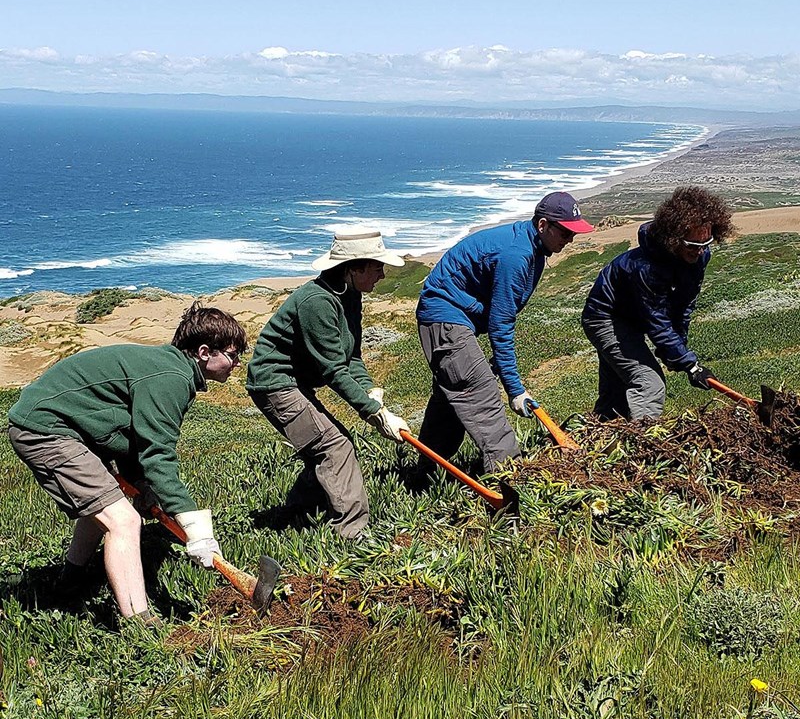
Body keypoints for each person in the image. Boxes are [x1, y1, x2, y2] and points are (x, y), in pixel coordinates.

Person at [7, 303, 247, 625]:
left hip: (67, 428)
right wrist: (196, 527)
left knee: (104, 505)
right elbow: (157, 454)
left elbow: (132, 435)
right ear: (204, 352)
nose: (237, 362)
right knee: (124, 521)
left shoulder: (170, 369)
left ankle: (69, 582)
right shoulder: (170, 377)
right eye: (233, 354)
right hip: (45, 430)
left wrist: (143, 485)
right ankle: (141, 624)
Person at [414, 191, 595, 479]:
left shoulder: (532, 248)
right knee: (482, 398)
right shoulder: (517, 255)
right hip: (446, 320)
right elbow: (501, 323)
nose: (569, 239)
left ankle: (423, 476)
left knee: (453, 399)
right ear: (543, 225)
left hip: (454, 319)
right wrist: (515, 389)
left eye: (573, 233)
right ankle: (509, 484)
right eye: (564, 232)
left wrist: (499, 365)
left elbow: (501, 314)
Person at [247, 229, 411, 540]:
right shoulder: (317, 302)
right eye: (377, 266)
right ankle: (352, 533)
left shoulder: (350, 296)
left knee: (321, 445)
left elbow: (352, 356)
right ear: (353, 268)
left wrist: (369, 390)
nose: (382, 273)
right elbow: (334, 370)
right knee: (334, 446)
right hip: (275, 384)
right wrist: (374, 413)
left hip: (294, 382)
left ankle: (298, 510)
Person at [581, 186, 734, 421]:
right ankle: (644, 445)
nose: (701, 250)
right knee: (649, 383)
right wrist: (690, 364)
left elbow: (683, 306)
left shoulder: (699, 256)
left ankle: (599, 441)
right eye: (692, 245)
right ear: (673, 239)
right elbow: (657, 319)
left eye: (707, 242)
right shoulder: (646, 268)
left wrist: (675, 352)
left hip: (634, 319)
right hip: (606, 318)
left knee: (615, 395)